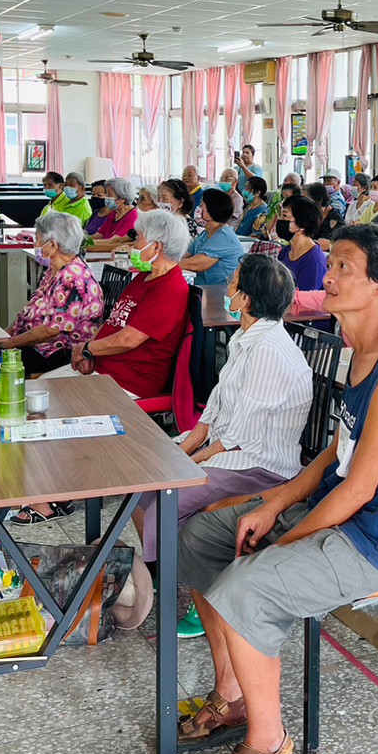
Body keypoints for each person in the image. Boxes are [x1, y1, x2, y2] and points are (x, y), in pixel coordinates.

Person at [176, 226, 378, 754]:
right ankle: (233, 692)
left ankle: (270, 748)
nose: (329, 275)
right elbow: (335, 454)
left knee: (249, 586)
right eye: (334, 264)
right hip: (337, 510)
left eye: (345, 267)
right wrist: (275, 501)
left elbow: (360, 487)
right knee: (200, 537)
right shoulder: (358, 352)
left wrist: (285, 538)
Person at [134, 256, 313, 641]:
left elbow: (239, 437)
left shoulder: (268, 350)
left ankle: (206, 600)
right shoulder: (246, 338)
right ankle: (164, 577)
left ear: (246, 299)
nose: (227, 289)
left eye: (233, 283)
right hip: (229, 451)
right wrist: (186, 447)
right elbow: (216, 408)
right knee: (141, 489)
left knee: (166, 502)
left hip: (258, 464)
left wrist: (192, 462)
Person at [22, 212, 191, 526]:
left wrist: (86, 348)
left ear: (156, 247)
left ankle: (57, 495)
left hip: (133, 380)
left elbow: (129, 339)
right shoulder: (143, 278)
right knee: (37, 391)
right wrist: (91, 353)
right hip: (106, 367)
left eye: (138, 238)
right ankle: (43, 482)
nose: (133, 244)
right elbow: (113, 323)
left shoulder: (171, 287)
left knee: (51, 404)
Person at [0, 211, 105, 374]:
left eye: (38, 240)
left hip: (57, 352)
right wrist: (4, 335)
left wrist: (8, 343)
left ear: (53, 245)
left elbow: (50, 330)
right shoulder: (55, 270)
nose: (35, 245)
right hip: (39, 346)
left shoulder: (72, 279)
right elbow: (29, 311)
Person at [183, 187, 244, 287]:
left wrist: (166, 265)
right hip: (202, 288)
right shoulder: (206, 234)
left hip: (219, 293)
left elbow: (194, 264)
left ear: (210, 211)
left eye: (201, 205)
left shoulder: (224, 237)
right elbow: (186, 254)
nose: (198, 208)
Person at [276, 195, 327, 290]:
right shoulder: (286, 251)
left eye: (285, 215)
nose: (280, 220)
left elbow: (306, 301)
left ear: (302, 224)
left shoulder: (313, 262)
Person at [90, 177, 139, 250]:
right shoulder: (114, 213)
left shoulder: (133, 216)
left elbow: (114, 241)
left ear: (121, 199)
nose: (106, 197)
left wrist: (87, 245)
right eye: (106, 193)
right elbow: (99, 235)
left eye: (109, 195)